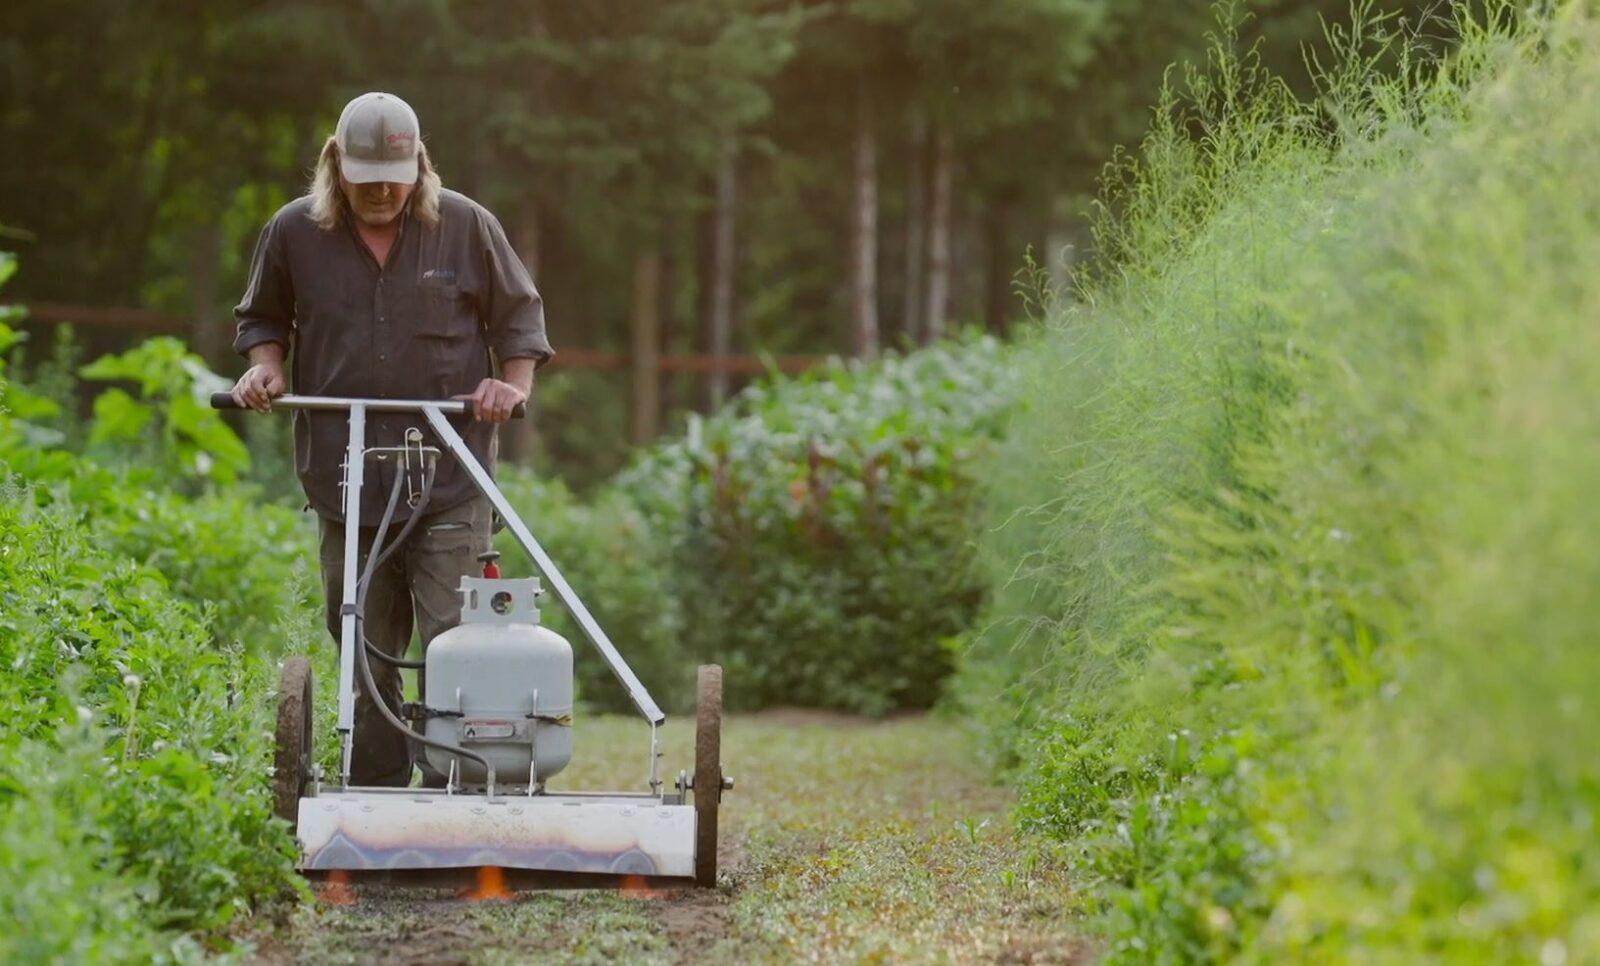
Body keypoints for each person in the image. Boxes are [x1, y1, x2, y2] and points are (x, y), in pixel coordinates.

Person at [230, 91, 553, 787]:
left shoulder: (467, 228)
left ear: (419, 168)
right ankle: (372, 784)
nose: (380, 191)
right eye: (365, 174)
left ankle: (461, 781)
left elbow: (517, 318)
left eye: (393, 177)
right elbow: (262, 319)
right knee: (362, 641)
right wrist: (266, 370)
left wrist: (512, 386)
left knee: (455, 640)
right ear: (335, 165)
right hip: (345, 478)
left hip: (449, 473)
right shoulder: (293, 232)